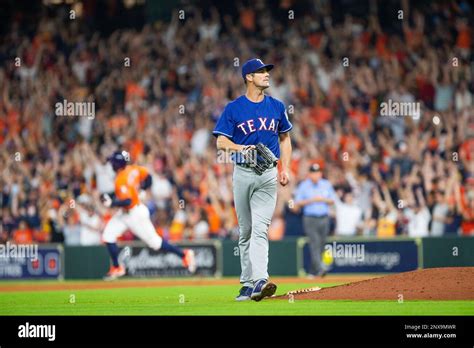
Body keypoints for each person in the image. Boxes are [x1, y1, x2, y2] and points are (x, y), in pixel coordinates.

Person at [213, 58, 292, 301]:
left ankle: (260, 280)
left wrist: (284, 167)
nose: (266, 74)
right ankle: (247, 284)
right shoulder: (234, 108)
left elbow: (285, 139)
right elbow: (220, 142)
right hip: (243, 172)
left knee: (260, 229)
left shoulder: (277, 106)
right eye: (261, 71)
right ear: (249, 77)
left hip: (268, 173)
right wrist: (241, 148)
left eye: (267, 71)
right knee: (245, 231)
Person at [101, 151, 196, 280]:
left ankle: (184, 255)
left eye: (113, 162)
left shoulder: (121, 179)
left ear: (118, 164)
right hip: (125, 213)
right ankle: (117, 267)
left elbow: (128, 201)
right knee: (108, 235)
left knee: (155, 243)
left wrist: (112, 202)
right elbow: (148, 177)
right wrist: (143, 189)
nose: (111, 164)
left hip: (135, 214)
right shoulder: (133, 169)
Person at [293, 163, 336, 277]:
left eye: (317, 172)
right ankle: (321, 268)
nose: (316, 175)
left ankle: (313, 271)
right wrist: (311, 200)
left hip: (324, 217)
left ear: (320, 174)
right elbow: (297, 202)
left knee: (321, 244)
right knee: (314, 243)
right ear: (309, 174)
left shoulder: (326, 184)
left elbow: (333, 200)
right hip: (310, 218)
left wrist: (322, 199)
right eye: (313, 173)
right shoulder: (304, 185)